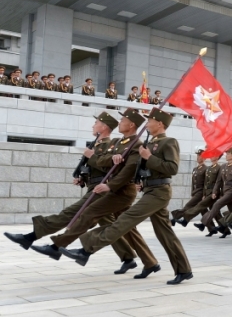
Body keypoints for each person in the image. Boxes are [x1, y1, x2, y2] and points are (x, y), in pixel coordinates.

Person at [4, 111, 157, 275]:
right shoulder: (119, 142)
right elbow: (105, 161)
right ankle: (143, 261)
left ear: (131, 124)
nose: (120, 123)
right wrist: (86, 175)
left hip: (112, 190)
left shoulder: (129, 144)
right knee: (122, 227)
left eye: (123, 120)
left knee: (77, 214)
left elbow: (122, 169)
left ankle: (43, 241)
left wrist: (108, 181)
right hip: (108, 190)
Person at [62, 108, 193, 285]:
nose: (147, 124)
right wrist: (140, 180)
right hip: (151, 190)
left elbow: (172, 168)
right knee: (165, 233)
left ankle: (87, 248)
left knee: (125, 219)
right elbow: (142, 168)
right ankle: (183, 270)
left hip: (159, 192)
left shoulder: (169, 142)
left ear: (160, 124)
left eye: (150, 121)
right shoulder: (150, 142)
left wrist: (148, 156)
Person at [171, 149, 208, 226]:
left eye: (200, 156)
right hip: (195, 192)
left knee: (188, 206)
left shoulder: (206, 169)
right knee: (203, 210)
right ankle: (212, 228)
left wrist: (204, 194)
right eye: (197, 156)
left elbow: (205, 184)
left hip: (200, 192)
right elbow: (193, 182)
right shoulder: (195, 169)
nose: (198, 157)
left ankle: (175, 217)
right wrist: (192, 192)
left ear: (204, 158)